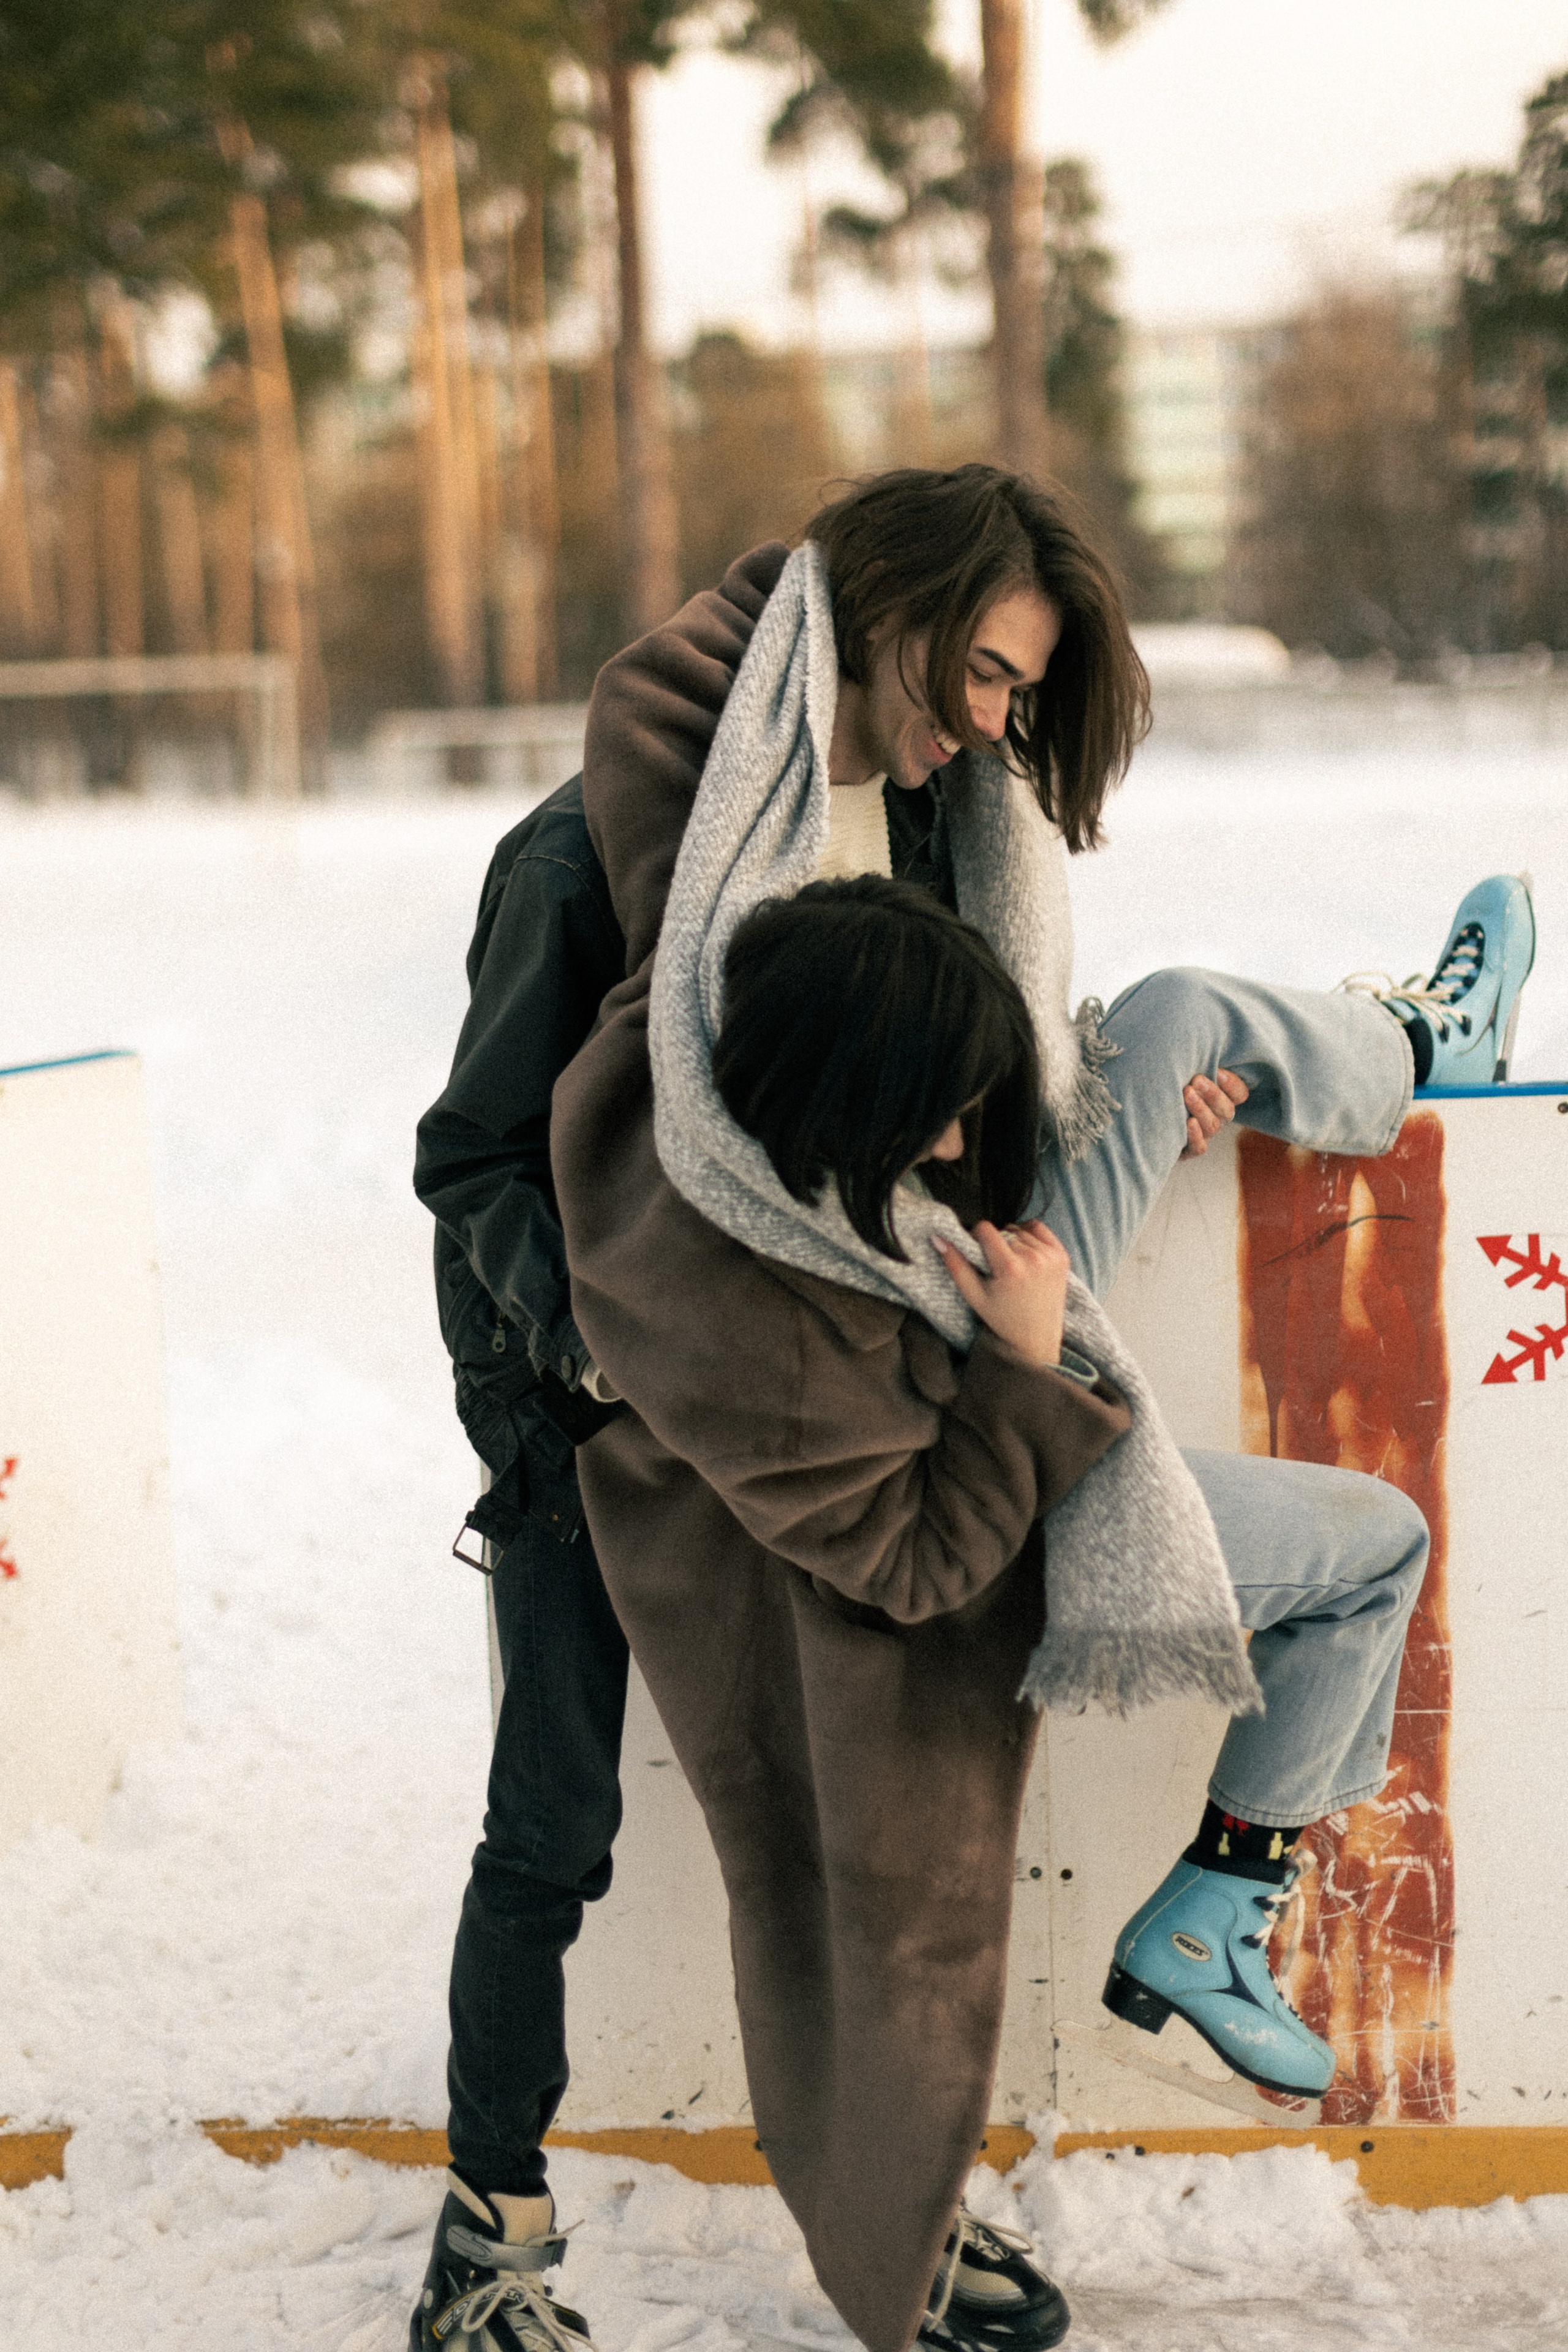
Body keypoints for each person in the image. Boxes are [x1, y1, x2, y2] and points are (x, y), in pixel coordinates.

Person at [410, 465, 1535, 2352]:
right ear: (891, 610)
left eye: (1024, 693)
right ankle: (487, 2231)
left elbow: (951, 1065)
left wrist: (1074, 1125)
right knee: (564, 1829)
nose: (1000, 727)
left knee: (1172, 1017)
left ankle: (1412, 1034)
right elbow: (478, 1169)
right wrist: (620, 1372)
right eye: (992, 675)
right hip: (654, 1400)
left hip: (937, 1306)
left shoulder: (942, 819)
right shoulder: (599, 846)